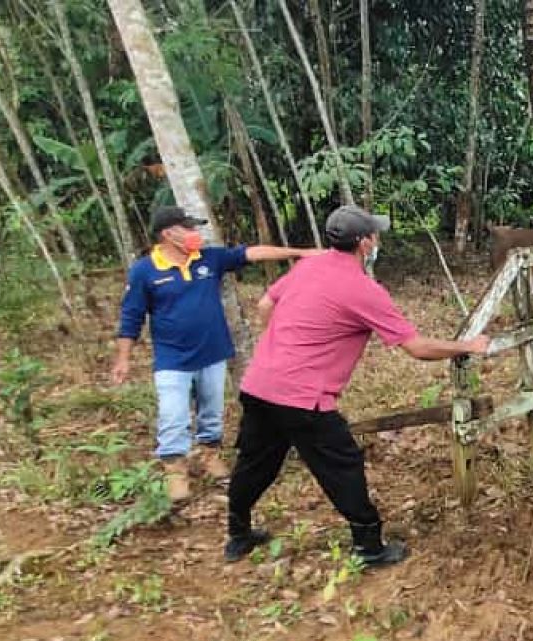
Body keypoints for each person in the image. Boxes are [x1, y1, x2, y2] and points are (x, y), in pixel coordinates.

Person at [224, 205, 491, 568]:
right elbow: (416, 347)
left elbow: (265, 303)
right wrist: (468, 346)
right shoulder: (363, 289)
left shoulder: (308, 266)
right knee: (342, 463)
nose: (377, 240)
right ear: (365, 243)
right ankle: (369, 546)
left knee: (256, 462)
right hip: (304, 398)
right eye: (375, 235)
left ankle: (237, 534)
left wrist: (284, 344)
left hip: (259, 383)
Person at [113, 206, 321, 502]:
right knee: (174, 414)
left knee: (211, 411)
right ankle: (175, 472)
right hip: (172, 359)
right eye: (187, 228)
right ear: (168, 234)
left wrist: (300, 253)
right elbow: (131, 316)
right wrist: (123, 358)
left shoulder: (208, 259)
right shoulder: (145, 271)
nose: (194, 234)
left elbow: (252, 253)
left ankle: (210, 456)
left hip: (213, 352)